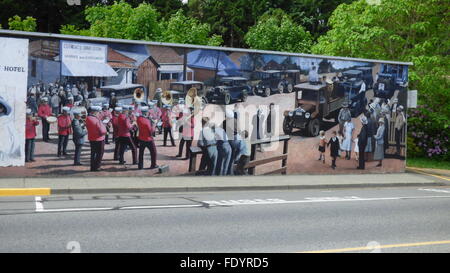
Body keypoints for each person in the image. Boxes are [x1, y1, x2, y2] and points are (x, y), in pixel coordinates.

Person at [85, 106, 107, 171]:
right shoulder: (96, 119)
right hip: (99, 138)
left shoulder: (88, 118)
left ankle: (92, 167)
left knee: (93, 153)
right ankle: (97, 166)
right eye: (98, 112)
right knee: (99, 153)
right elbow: (102, 131)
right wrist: (104, 128)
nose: (99, 114)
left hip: (92, 138)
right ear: (95, 112)